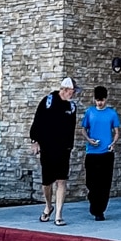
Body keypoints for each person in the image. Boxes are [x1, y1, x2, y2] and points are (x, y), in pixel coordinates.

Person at [29, 77, 77, 225]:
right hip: (47, 147)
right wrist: (35, 141)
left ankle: (58, 215)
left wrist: (70, 146)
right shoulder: (48, 101)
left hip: (64, 149)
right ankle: (48, 206)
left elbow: (72, 129)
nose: (73, 94)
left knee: (61, 181)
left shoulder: (72, 107)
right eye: (72, 91)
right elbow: (37, 121)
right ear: (64, 90)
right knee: (47, 183)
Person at [81, 86, 121, 221]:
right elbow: (83, 130)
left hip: (106, 153)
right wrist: (89, 140)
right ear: (94, 99)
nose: (100, 103)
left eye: (102, 100)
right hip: (92, 152)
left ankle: (99, 211)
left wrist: (113, 143)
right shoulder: (89, 112)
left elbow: (116, 132)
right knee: (91, 182)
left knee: (104, 183)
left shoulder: (112, 113)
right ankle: (93, 199)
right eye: (97, 100)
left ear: (106, 99)